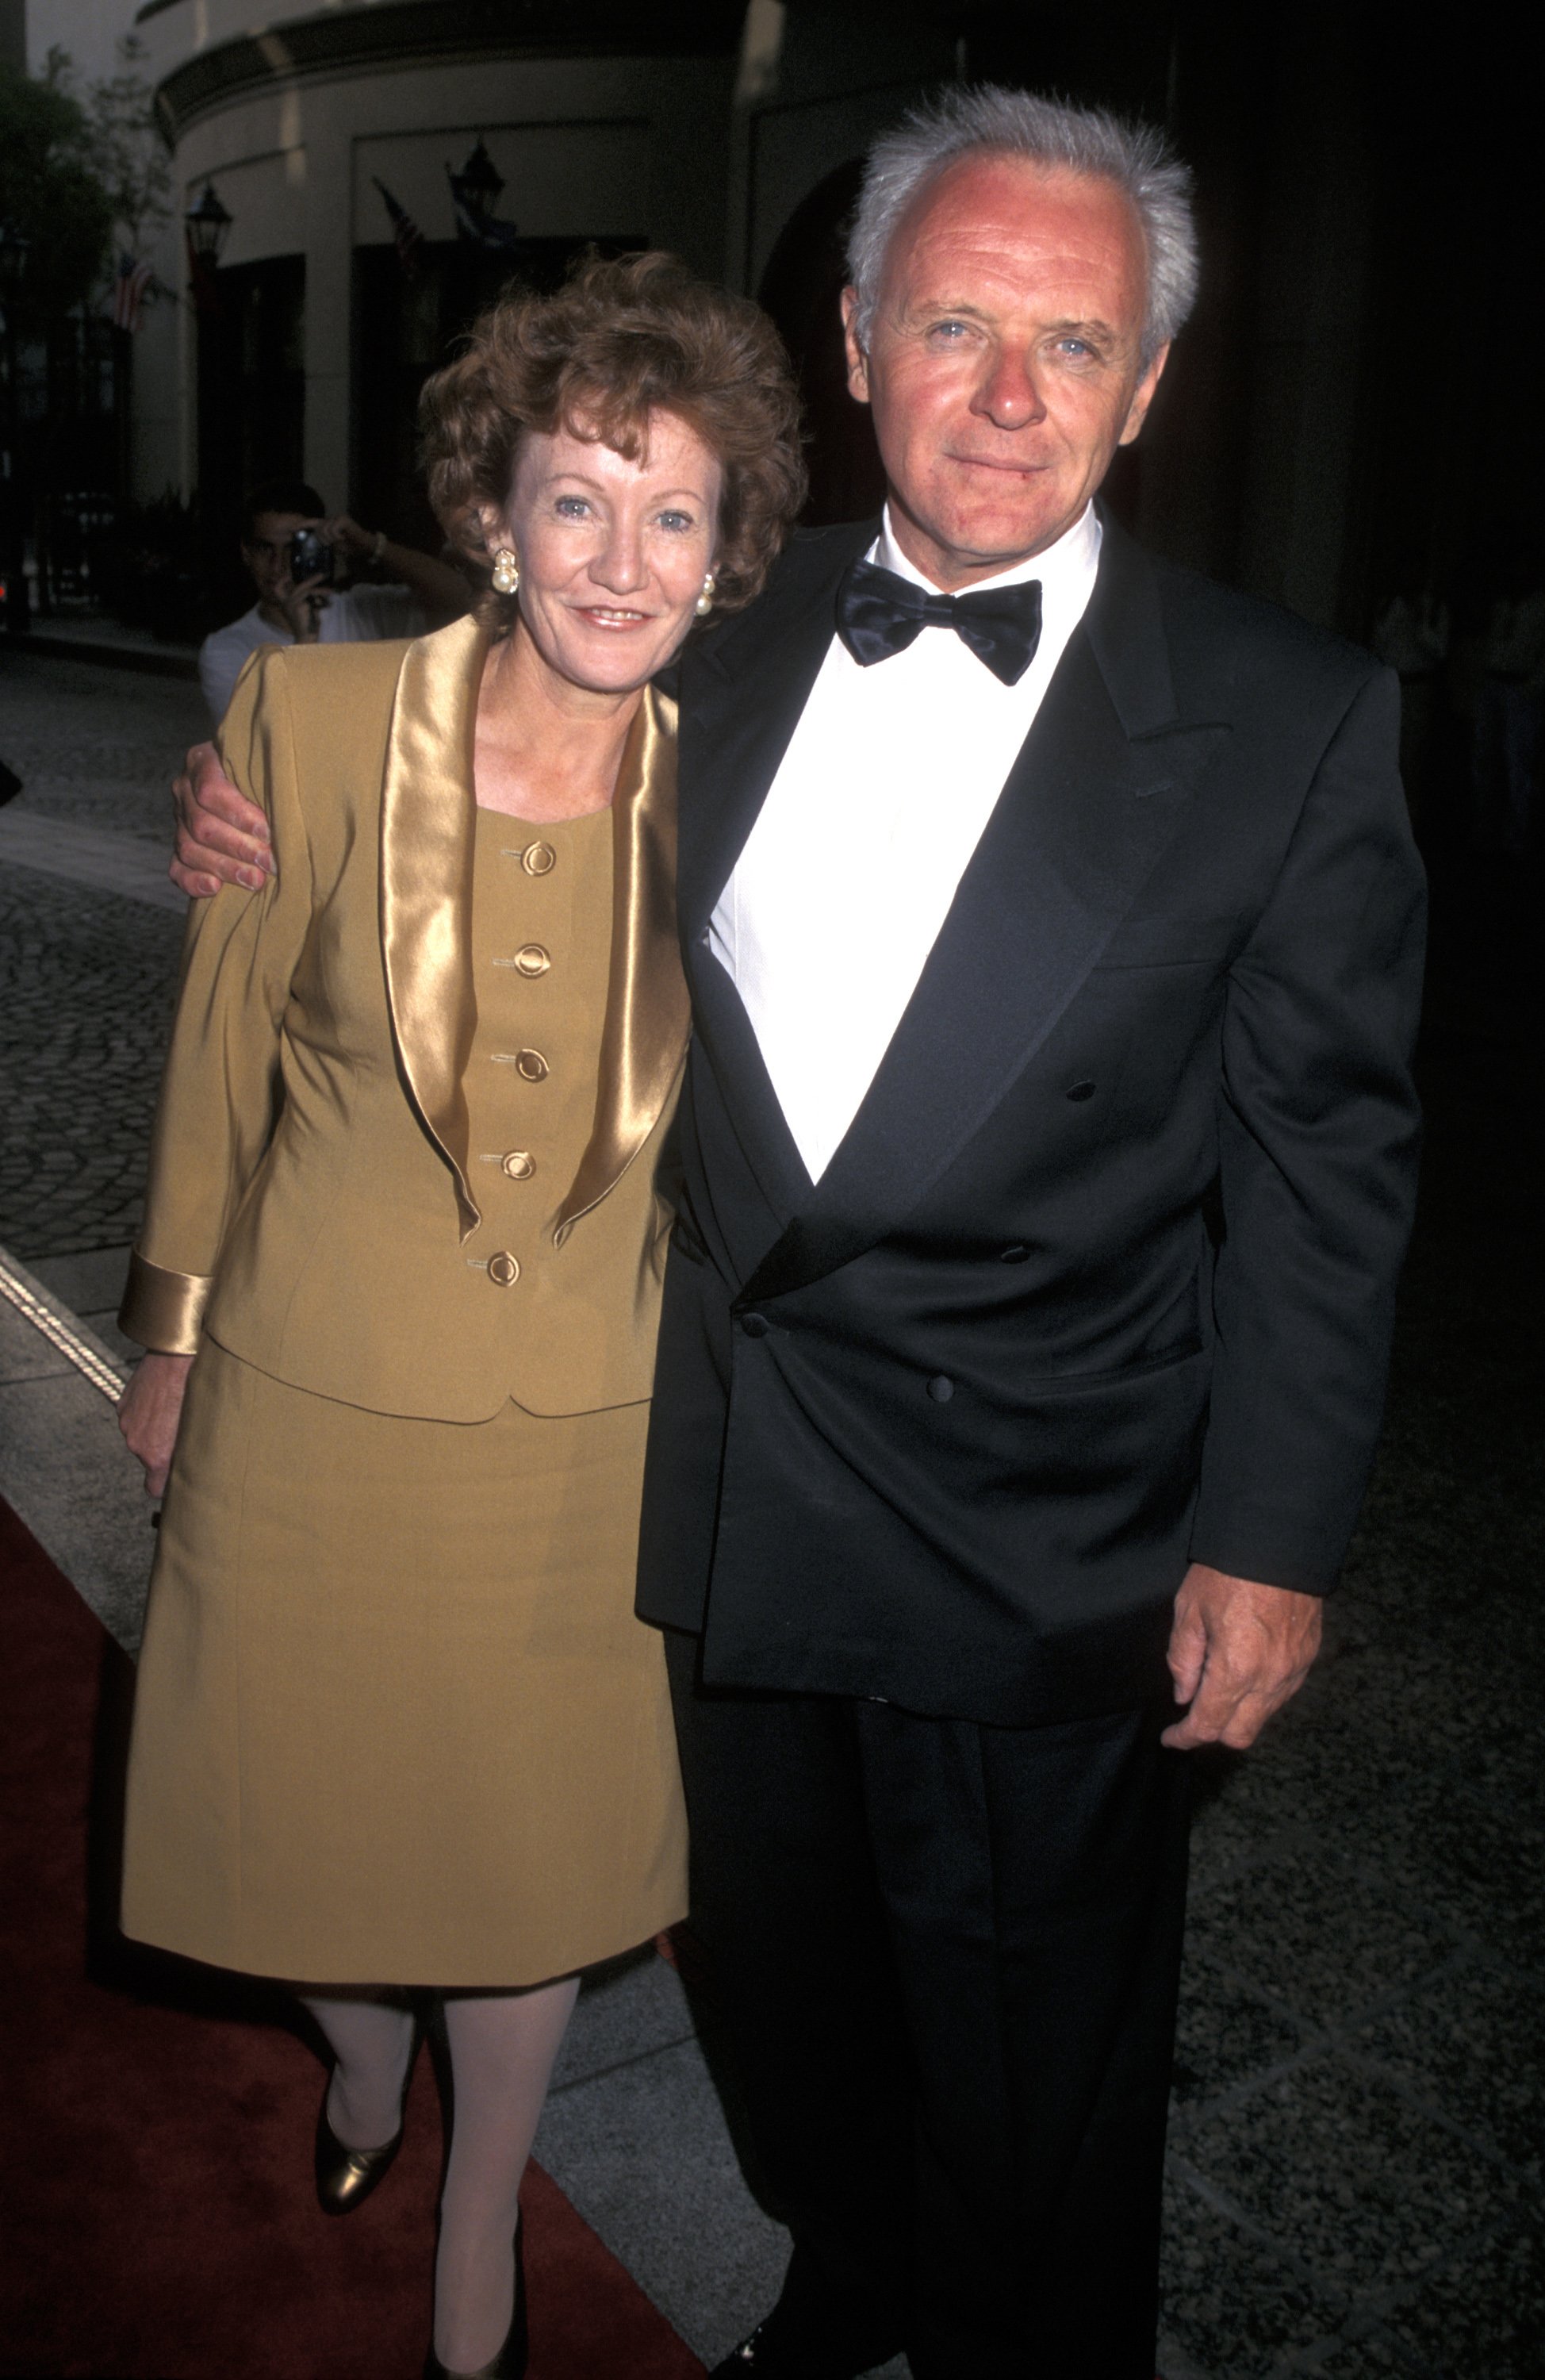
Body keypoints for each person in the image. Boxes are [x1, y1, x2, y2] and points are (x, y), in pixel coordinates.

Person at [170, 86, 1426, 2380]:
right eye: (955, 324)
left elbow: (1329, 1167)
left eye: (1075, 343)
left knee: (1039, 2079)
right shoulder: (708, 653)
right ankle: (845, 2271)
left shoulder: (1289, 719)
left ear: (1148, 382)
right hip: (725, 1492)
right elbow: (465, 745)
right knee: (788, 2001)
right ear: (854, 344)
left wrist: (1271, 1535)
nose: (1010, 396)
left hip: (1043, 1538)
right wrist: (258, 794)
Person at [117, 251, 804, 2380]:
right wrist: (164, 1337)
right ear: (493, 516)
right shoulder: (307, 724)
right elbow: (222, 1051)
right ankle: (353, 2071)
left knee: (521, 1865)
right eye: (578, 497)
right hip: (308, 1393)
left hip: (582, 1425)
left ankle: (478, 2223)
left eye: (673, 510)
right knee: (300, 1833)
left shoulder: (745, 785)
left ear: (726, 554)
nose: (622, 556)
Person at [197, 476, 471, 724]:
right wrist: (304, 640)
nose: (278, 565)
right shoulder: (226, 648)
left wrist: (371, 545)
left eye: (293, 549)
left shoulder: (360, 610)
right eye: (264, 548)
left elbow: (463, 599)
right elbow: (254, 750)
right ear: (246, 553)